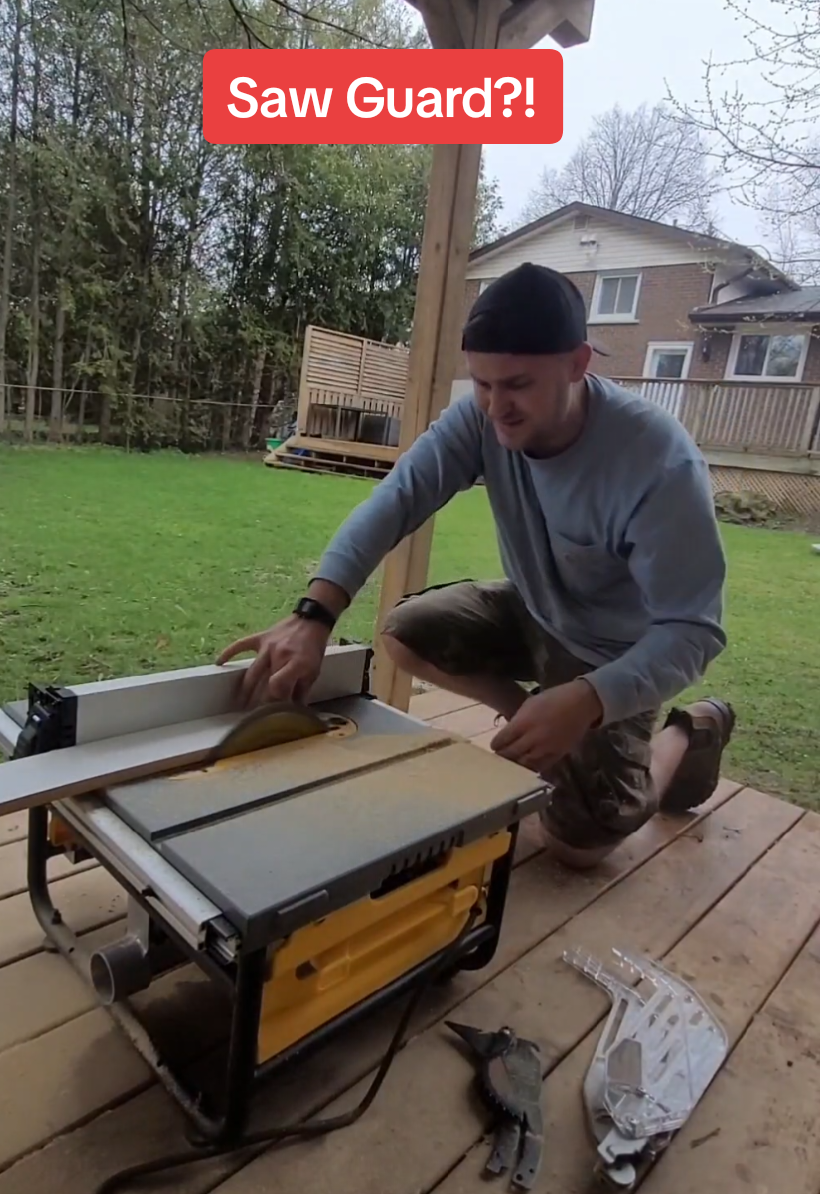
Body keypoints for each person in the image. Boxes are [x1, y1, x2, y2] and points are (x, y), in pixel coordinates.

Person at [217, 262, 736, 869]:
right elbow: (397, 498)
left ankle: (688, 731)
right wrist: (314, 614)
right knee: (403, 634)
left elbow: (693, 631)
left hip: (612, 652)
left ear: (578, 364)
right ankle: (540, 726)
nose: (496, 408)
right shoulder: (481, 418)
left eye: (516, 384)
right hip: (534, 610)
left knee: (577, 848)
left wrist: (589, 699)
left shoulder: (656, 461)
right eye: (481, 384)